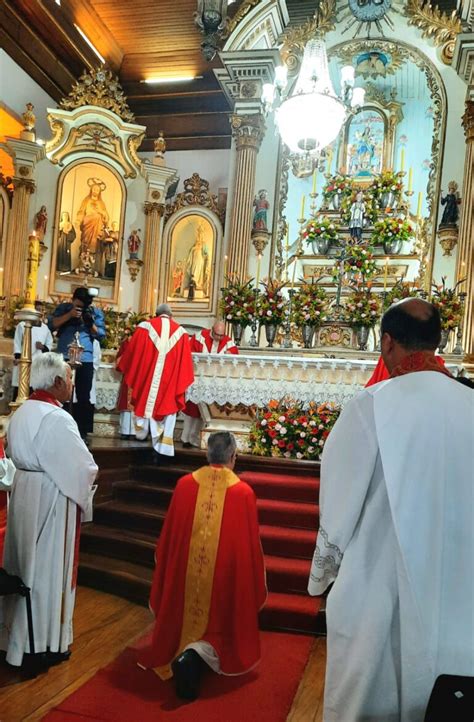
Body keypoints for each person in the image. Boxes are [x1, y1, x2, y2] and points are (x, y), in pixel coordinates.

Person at [308, 298, 474, 722]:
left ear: (386, 343)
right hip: (460, 586)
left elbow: (338, 504)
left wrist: (323, 576)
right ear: (438, 342)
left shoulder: (371, 405)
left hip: (379, 588)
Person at [137, 431, 267, 700]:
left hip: (185, 580)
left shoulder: (185, 484)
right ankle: (196, 657)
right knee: (220, 624)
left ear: (207, 455)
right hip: (222, 580)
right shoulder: (243, 492)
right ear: (234, 456)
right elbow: (249, 549)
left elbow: (168, 539)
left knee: (185, 614)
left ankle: (185, 652)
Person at [0, 353, 98, 669]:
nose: (71, 384)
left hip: (25, 493)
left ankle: (10, 640)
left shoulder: (23, 411)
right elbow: (83, 467)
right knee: (44, 569)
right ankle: (40, 643)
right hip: (51, 499)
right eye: (69, 379)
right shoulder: (57, 419)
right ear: (56, 382)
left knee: (22, 564)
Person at [117, 303, 194, 456]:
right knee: (168, 407)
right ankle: (162, 451)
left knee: (145, 403)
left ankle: (142, 438)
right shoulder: (182, 333)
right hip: (170, 385)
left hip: (146, 383)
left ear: (156, 314)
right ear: (171, 316)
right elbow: (185, 365)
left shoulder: (144, 327)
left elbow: (131, 356)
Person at [48, 287, 106, 441]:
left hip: (84, 358)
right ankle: (57, 428)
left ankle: (82, 432)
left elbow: (100, 335)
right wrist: (69, 315)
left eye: (82, 306)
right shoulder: (64, 308)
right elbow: (51, 325)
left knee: (83, 395)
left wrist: (89, 323)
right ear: (72, 300)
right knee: (60, 392)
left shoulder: (94, 312)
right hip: (65, 356)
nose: (80, 308)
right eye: (78, 305)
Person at [181, 320, 238, 448]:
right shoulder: (199, 337)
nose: (219, 338)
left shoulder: (228, 342)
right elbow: (189, 355)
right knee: (192, 409)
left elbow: (235, 359)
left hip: (216, 383)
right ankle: (186, 438)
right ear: (212, 329)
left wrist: (230, 356)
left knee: (206, 412)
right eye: (217, 334)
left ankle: (198, 438)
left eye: (221, 335)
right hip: (197, 380)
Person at [12, 302, 53, 401]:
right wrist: (18, 357)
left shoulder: (45, 328)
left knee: (34, 388)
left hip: (38, 361)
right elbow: (17, 342)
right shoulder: (22, 325)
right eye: (37, 309)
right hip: (23, 360)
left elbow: (49, 344)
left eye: (41, 310)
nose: (39, 312)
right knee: (20, 387)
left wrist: (43, 347)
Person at [115, 328, 134, 438]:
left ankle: (134, 431)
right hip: (131, 376)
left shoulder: (129, 341)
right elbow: (120, 360)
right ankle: (126, 431)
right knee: (128, 403)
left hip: (140, 377)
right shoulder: (128, 342)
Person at [184, 226, 209, 296]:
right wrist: (194, 248)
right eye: (199, 234)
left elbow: (206, 254)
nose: (199, 236)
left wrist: (205, 254)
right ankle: (193, 282)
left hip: (200, 259)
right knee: (193, 270)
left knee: (198, 271)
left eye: (201, 234)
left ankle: (197, 283)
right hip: (194, 259)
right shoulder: (195, 244)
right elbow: (191, 252)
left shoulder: (204, 244)